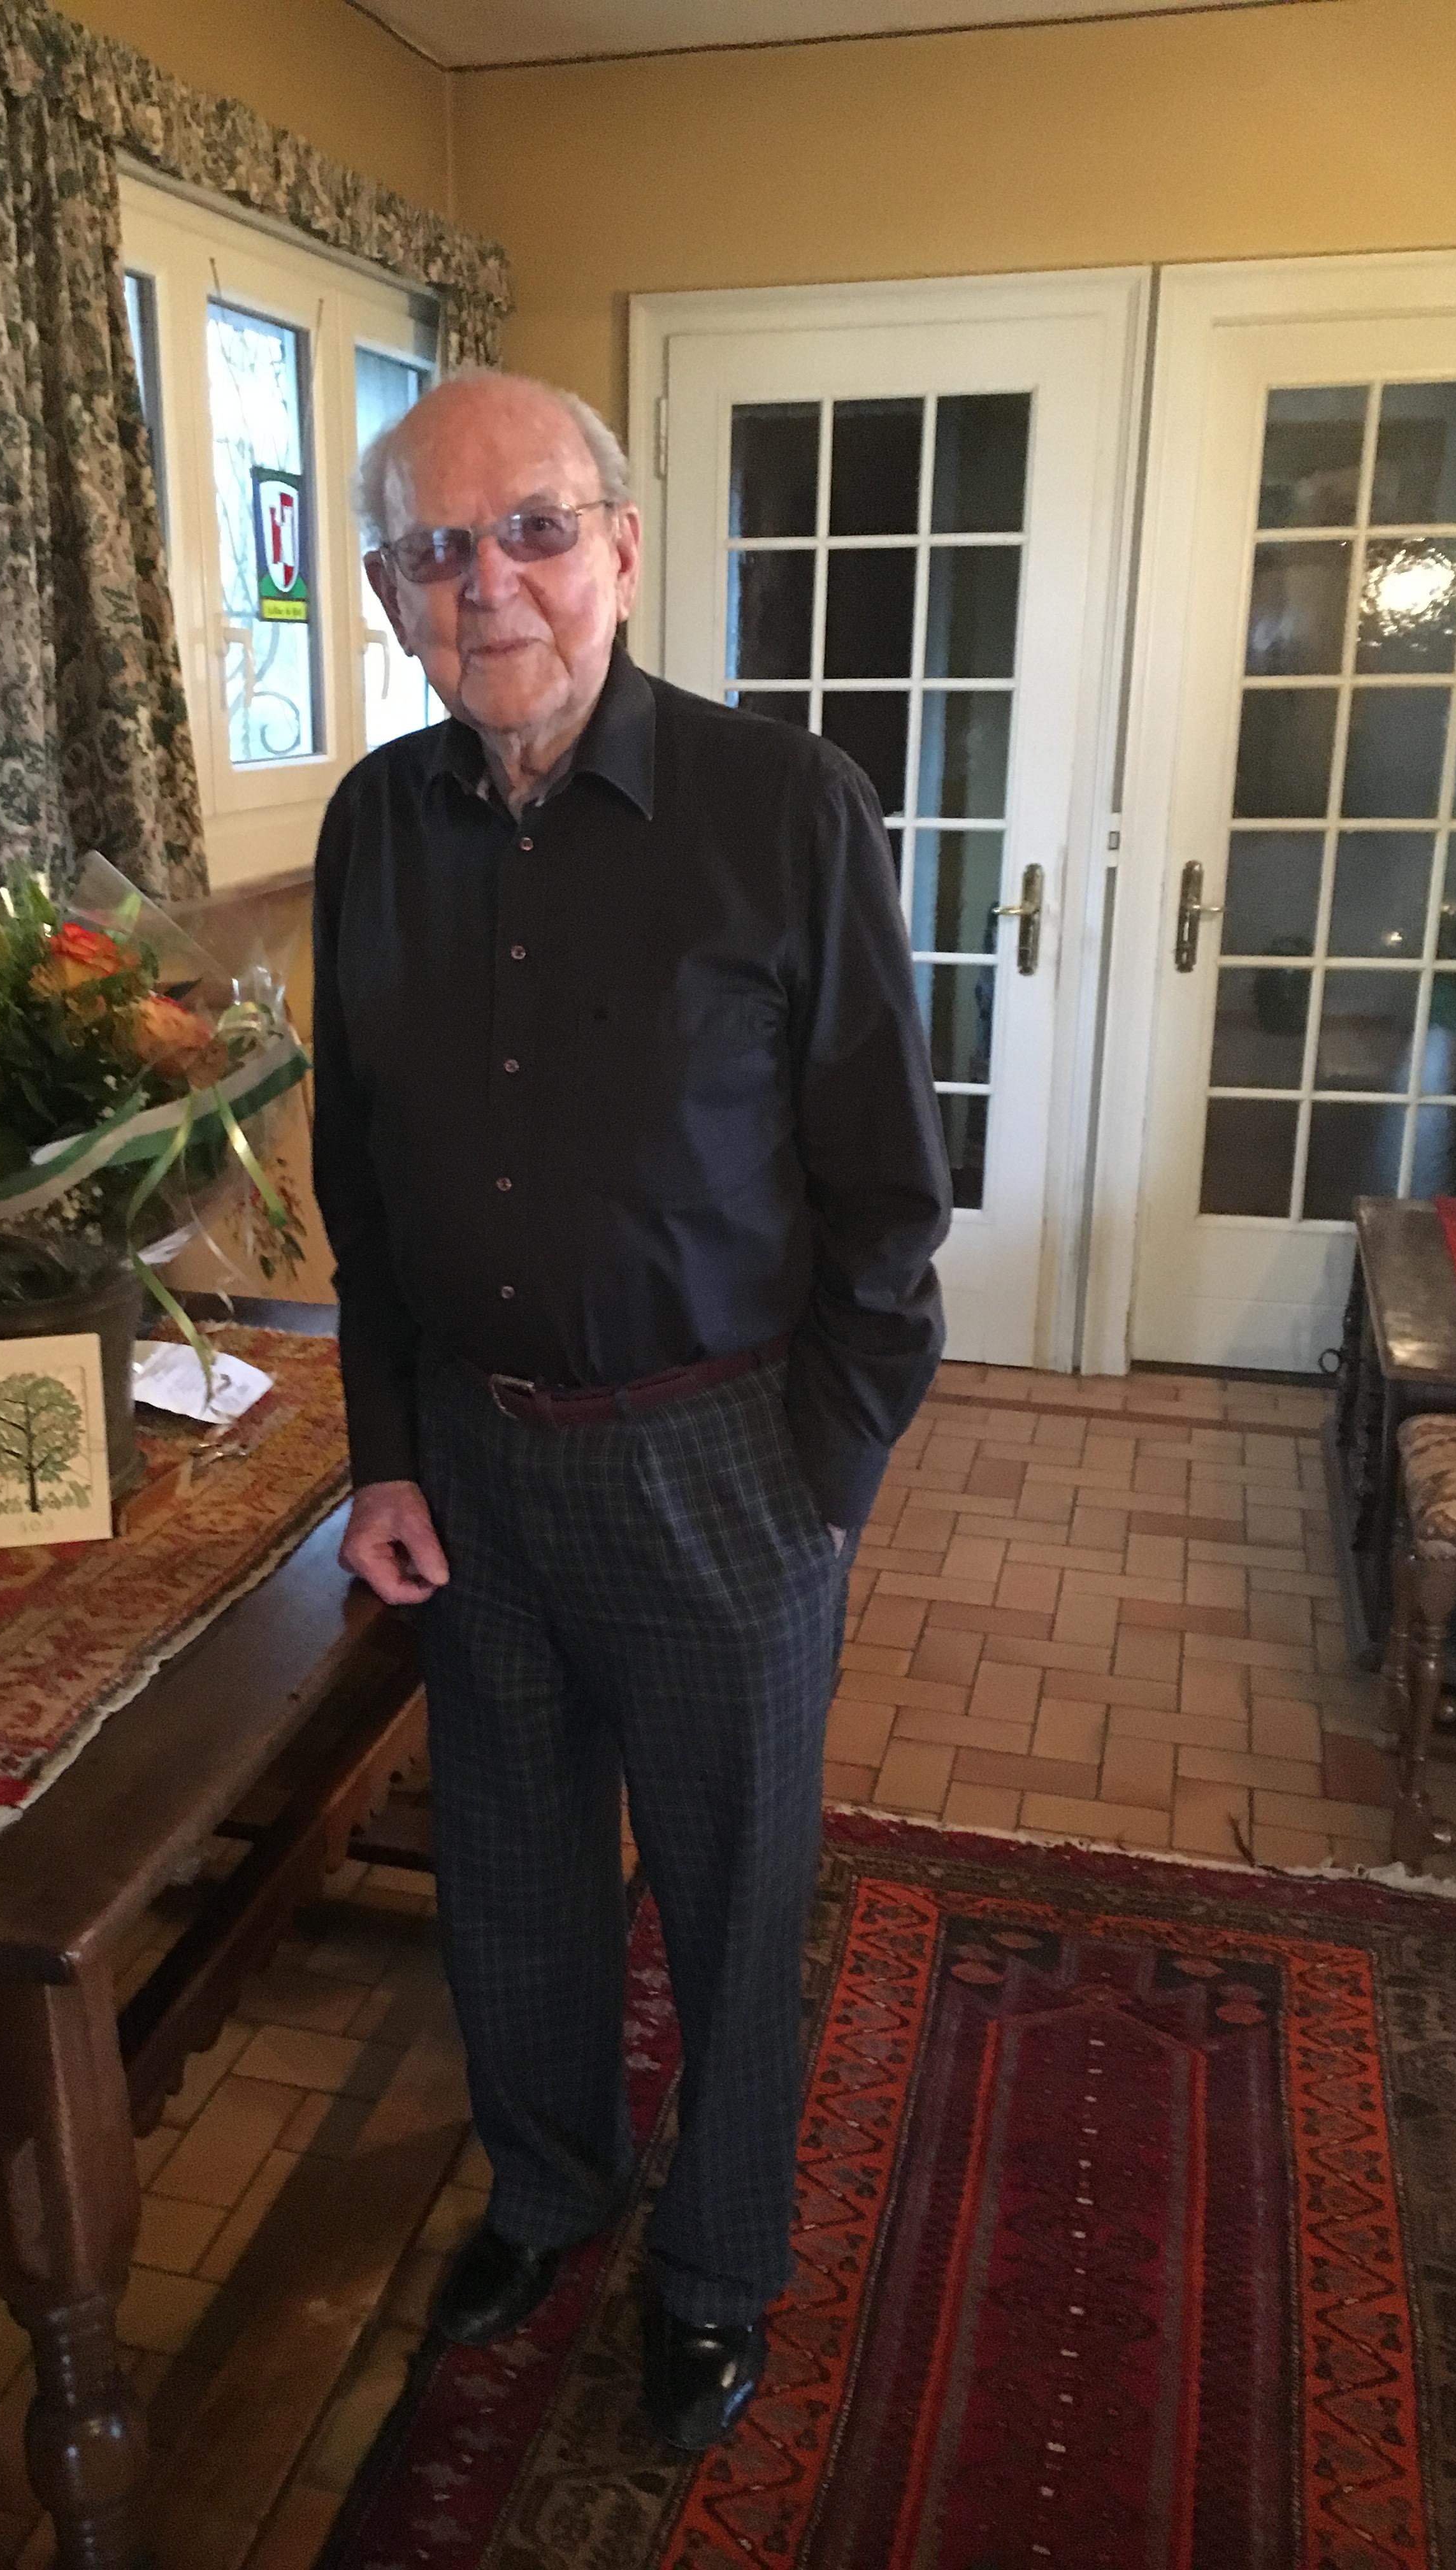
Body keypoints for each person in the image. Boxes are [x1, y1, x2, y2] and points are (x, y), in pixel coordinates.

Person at [311, 370, 949, 2451]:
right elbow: (358, 1182)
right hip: (472, 1460)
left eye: (534, 532)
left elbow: (888, 1195)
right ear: (391, 594)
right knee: (508, 1868)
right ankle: (550, 2191)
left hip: (719, 1461)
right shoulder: (374, 828)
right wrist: (386, 1451)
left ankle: (718, 2267)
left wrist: (821, 1476)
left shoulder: (786, 808)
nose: (487, 584)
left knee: (733, 1890)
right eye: (435, 550)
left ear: (621, 550)